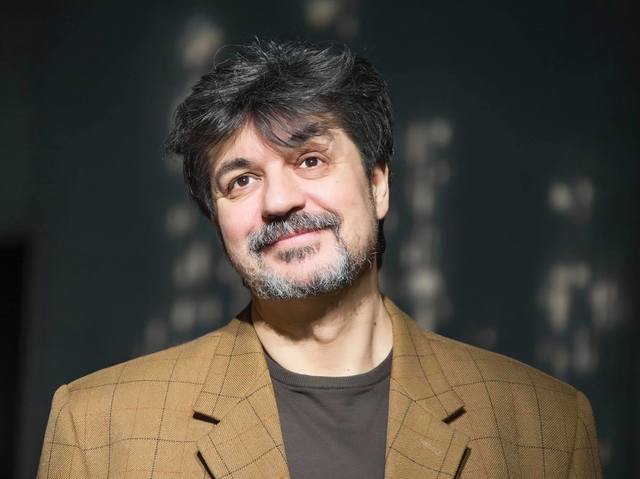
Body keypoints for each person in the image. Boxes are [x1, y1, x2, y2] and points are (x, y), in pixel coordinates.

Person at [38, 39, 602, 479]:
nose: (279, 201)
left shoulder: (546, 424)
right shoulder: (98, 426)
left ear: (378, 185)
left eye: (310, 160)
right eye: (241, 180)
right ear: (216, 222)